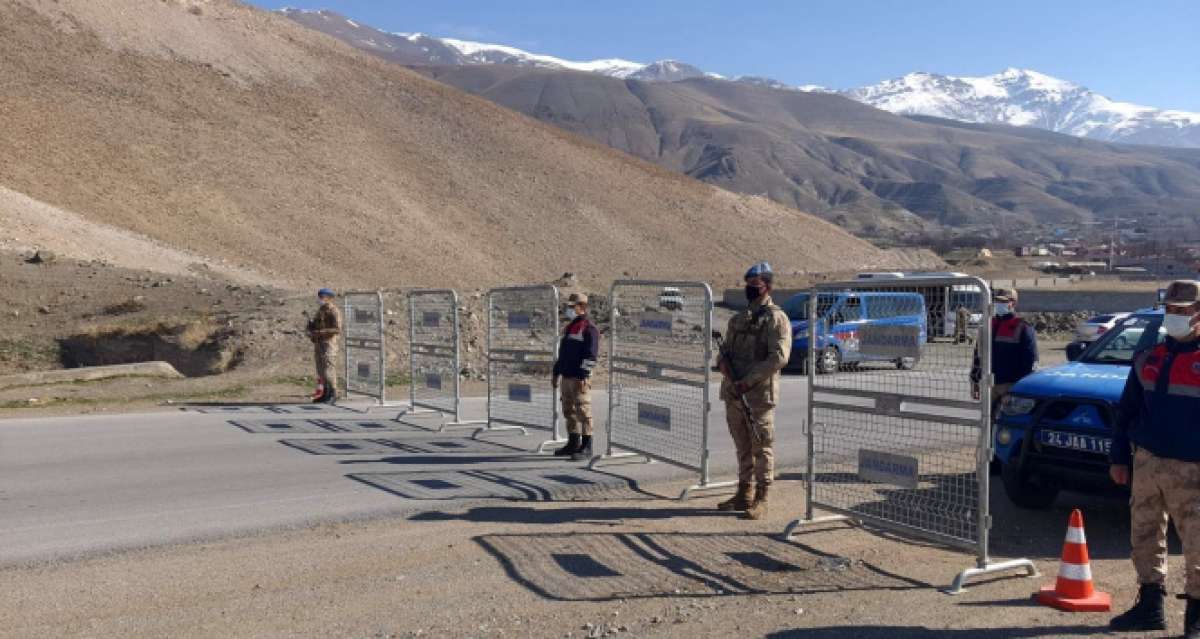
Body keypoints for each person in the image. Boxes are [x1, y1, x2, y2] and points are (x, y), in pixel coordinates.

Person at [1108, 280, 1200, 637]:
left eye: (1185, 310)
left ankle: (1196, 615)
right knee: (1145, 535)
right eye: (1171, 310)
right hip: (1147, 463)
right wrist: (1119, 457)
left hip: (1193, 468)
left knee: (1197, 543)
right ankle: (1150, 605)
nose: (1176, 316)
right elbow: (1127, 410)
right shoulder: (1149, 357)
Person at [717, 262, 792, 520]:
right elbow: (725, 350)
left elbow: (779, 357)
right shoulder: (739, 319)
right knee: (742, 446)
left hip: (758, 396)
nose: (750, 289)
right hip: (734, 392)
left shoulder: (776, 319)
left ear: (768, 287)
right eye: (748, 285)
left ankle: (762, 498)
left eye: (755, 285)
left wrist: (748, 381)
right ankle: (743, 492)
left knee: (762, 446)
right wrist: (723, 364)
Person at [970, 288, 1038, 413]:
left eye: (1004, 301)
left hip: (1010, 387)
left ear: (1014, 303)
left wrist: (1017, 391)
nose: (999, 304)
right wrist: (974, 380)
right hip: (988, 385)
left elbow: (1030, 362)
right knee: (987, 425)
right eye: (996, 301)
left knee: (1007, 427)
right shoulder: (987, 325)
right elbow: (978, 354)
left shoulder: (1023, 327)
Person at [552, 292, 600, 461]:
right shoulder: (570, 327)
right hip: (566, 376)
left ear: (583, 307)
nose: (569, 309)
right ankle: (573, 443)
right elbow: (563, 353)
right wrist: (556, 372)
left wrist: (583, 376)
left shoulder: (590, 329)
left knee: (583, 411)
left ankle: (587, 447)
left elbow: (591, 356)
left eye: (573, 307)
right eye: (569, 307)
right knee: (569, 411)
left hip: (579, 379)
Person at [306, 288, 343, 404]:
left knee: (328, 369)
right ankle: (325, 393)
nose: (320, 299)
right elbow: (317, 324)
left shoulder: (334, 311)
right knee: (321, 370)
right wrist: (311, 326)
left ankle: (333, 392)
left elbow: (337, 329)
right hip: (319, 343)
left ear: (328, 298)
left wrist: (320, 332)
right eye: (319, 297)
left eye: (322, 297)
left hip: (328, 344)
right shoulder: (321, 310)